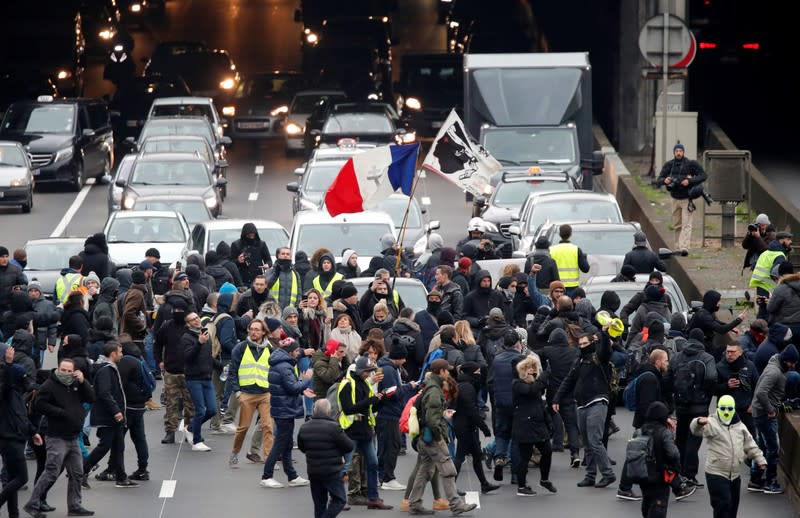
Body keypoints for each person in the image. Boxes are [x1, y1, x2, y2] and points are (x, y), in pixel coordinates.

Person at [24, 358, 95, 518]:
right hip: (56, 436)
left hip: (74, 437)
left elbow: (91, 398)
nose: (66, 373)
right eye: (64, 370)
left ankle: (75, 506)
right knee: (51, 472)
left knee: (77, 472)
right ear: (58, 369)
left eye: (70, 371)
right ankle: (32, 504)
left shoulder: (76, 384)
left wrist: (84, 382)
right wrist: (61, 413)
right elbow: (38, 404)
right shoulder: (49, 385)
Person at [407, 358, 478, 515]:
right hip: (432, 438)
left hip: (424, 437)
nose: (449, 372)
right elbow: (432, 419)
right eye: (447, 370)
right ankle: (456, 504)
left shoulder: (430, 387)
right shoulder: (434, 391)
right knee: (448, 469)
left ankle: (414, 503)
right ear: (442, 372)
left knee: (424, 471)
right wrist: (439, 436)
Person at [553, 330, 616, 489]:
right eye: (580, 344)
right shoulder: (579, 361)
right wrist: (556, 398)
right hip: (581, 404)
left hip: (597, 402)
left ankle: (608, 474)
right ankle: (590, 475)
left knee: (595, 440)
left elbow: (606, 350)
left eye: (585, 344)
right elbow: (568, 381)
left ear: (592, 343)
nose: (582, 347)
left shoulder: (599, 358)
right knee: (587, 443)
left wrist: (604, 335)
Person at [691, 395, 766, 518]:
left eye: (730, 409)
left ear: (734, 409)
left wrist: (760, 460)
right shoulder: (712, 422)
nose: (726, 412)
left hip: (734, 474)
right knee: (723, 504)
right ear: (718, 408)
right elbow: (695, 430)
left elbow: (750, 444)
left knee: (732, 507)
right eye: (723, 408)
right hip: (716, 472)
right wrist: (698, 421)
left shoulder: (740, 426)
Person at [337, 354, 392, 510]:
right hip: (351, 431)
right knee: (345, 466)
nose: (369, 374)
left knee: (373, 463)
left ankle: (373, 498)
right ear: (360, 370)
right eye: (367, 371)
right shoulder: (347, 384)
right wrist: (371, 400)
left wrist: (381, 401)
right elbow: (348, 409)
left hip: (365, 430)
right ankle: (337, 499)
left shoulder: (364, 384)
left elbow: (369, 407)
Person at [665, 328, 717, 488]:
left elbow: (667, 377)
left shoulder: (677, 356)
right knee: (694, 440)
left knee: (680, 438)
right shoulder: (707, 358)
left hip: (681, 405)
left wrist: (674, 396)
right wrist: (705, 396)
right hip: (699, 406)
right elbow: (711, 377)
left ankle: (677, 471)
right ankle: (689, 474)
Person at [260, 336, 314, 488]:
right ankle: (267, 475)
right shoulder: (284, 366)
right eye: (296, 350)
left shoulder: (281, 363)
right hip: (284, 409)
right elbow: (293, 387)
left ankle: (292, 475)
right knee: (280, 444)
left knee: (287, 443)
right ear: (290, 351)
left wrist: (303, 390)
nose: (298, 353)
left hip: (282, 407)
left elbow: (288, 387)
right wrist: (306, 379)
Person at [82, 341, 138, 489]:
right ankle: (82, 470)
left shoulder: (109, 368)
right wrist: (116, 411)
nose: (122, 354)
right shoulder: (106, 370)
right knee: (105, 445)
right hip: (109, 416)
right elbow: (105, 393)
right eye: (120, 352)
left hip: (113, 415)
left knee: (119, 446)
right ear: (113, 354)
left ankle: (121, 477)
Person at [0, 345, 44, 518]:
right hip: (11, 437)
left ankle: (14, 514)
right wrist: (7, 363)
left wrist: (33, 432)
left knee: (12, 478)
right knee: (21, 478)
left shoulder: (13, 392)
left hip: (11, 436)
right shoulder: (7, 390)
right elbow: (20, 417)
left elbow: (22, 417)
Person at [749, 343, 798, 494]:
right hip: (765, 414)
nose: (794, 365)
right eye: (792, 362)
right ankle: (770, 482)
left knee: (762, 446)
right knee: (773, 448)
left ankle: (755, 480)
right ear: (786, 360)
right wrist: (770, 410)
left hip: (759, 412)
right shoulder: (774, 372)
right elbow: (761, 393)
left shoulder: (774, 364)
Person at [227, 319, 274, 467]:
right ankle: (235, 452)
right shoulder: (240, 348)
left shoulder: (270, 349)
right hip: (247, 393)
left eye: (257, 329)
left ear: (263, 332)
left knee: (268, 426)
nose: (253, 332)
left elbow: (274, 371)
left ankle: (268, 459)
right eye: (251, 329)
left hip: (265, 393)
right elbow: (232, 371)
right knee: (243, 427)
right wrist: (238, 392)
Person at [298, 399, 354, 518]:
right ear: (329, 412)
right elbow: (349, 446)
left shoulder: (304, 427)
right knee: (339, 500)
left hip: (313, 471)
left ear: (314, 411)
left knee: (319, 504)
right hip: (332, 471)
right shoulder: (334, 427)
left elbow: (302, 447)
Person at [512, 355, 556, 497]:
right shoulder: (517, 383)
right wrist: (544, 377)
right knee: (525, 456)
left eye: (534, 368)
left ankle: (544, 479)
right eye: (529, 368)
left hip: (538, 424)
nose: (532, 371)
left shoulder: (536, 384)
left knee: (547, 451)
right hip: (524, 425)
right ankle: (522, 485)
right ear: (523, 370)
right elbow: (530, 390)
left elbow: (540, 404)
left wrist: (549, 422)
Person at [376, 340, 416, 490]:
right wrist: (408, 387)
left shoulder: (389, 369)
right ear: (397, 357)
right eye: (403, 358)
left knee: (387, 446)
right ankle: (388, 478)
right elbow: (392, 394)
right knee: (392, 446)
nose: (405, 361)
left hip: (388, 413)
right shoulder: (390, 371)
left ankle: (383, 476)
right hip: (389, 414)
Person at [655, 142, 707, 254]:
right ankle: (678, 247)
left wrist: (689, 181)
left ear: (683, 152)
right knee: (677, 224)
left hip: (687, 198)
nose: (678, 153)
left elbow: (703, 175)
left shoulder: (690, 164)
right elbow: (658, 180)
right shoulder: (669, 165)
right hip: (674, 199)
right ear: (674, 152)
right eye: (676, 151)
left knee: (686, 224)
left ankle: (685, 247)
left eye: (680, 151)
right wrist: (665, 181)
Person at [636, 402, 682, 518]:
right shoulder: (664, 432)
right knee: (658, 508)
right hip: (660, 478)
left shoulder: (639, 431)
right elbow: (673, 453)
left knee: (647, 505)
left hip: (643, 478)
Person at [182, 312, 216, 452]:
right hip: (193, 378)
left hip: (207, 377)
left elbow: (208, 356)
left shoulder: (205, 334)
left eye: (197, 318)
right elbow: (188, 357)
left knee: (212, 409)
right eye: (192, 320)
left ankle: (190, 428)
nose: (196, 321)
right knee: (200, 410)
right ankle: (197, 441)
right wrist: (199, 343)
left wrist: (219, 365)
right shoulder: (186, 338)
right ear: (188, 324)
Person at [714, 342, 759, 438]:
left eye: (733, 352)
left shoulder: (750, 366)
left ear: (740, 352)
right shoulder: (719, 367)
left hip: (746, 411)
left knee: (751, 440)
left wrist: (753, 404)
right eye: (728, 352)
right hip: (726, 412)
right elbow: (712, 389)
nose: (729, 354)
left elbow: (757, 386)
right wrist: (726, 385)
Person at [549, 224, 590, 297]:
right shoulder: (576, 250)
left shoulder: (552, 250)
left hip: (556, 288)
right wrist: (584, 258)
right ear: (571, 234)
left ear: (559, 234)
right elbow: (586, 269)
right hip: (573, 288)